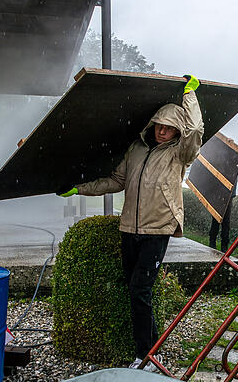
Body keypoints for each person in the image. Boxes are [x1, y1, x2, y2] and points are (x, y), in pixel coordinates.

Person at [59, 75, 203, 371]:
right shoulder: (136, 149)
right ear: (152, 125)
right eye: (159, 126)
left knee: (140, 289)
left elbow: (195, 131)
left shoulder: (179, 153)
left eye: (169, 128)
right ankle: (153, 350)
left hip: (157, 229)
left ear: (176, 131)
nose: (163, 131)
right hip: (129, 229)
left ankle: (144, 355)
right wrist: (79, 188)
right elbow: (116, 181)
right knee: (136, 289)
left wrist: (190, 96)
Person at [209, 153, 238, 252]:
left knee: (226, 222)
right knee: (215, 220)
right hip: (218, 194)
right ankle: (212, 243)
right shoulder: (220, 161)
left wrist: (234, 148)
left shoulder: (234, 165)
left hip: (229, 195)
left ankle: (224, 246)